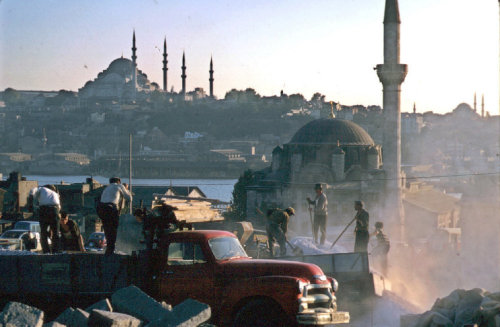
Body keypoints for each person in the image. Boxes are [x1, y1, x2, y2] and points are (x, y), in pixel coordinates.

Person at [97, 177, 132, 255]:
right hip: (110, 208)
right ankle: (111, 250)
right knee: (113, 229)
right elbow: (129, 198)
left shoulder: (107, 188)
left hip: (101, 209)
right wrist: (126, 189)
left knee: (107, 229)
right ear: (119, 182)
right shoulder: (119, 186)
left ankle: (108, 250)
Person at [31, 184, 61, 253]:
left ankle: (46, 250)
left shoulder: (41, 189)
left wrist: (35, 206)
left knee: (43, 232)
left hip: (44, 209)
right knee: (56, 232)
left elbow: (32, 193)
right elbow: (59, 208)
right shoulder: (56, 194)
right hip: (54, 210)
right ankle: (55, 251)